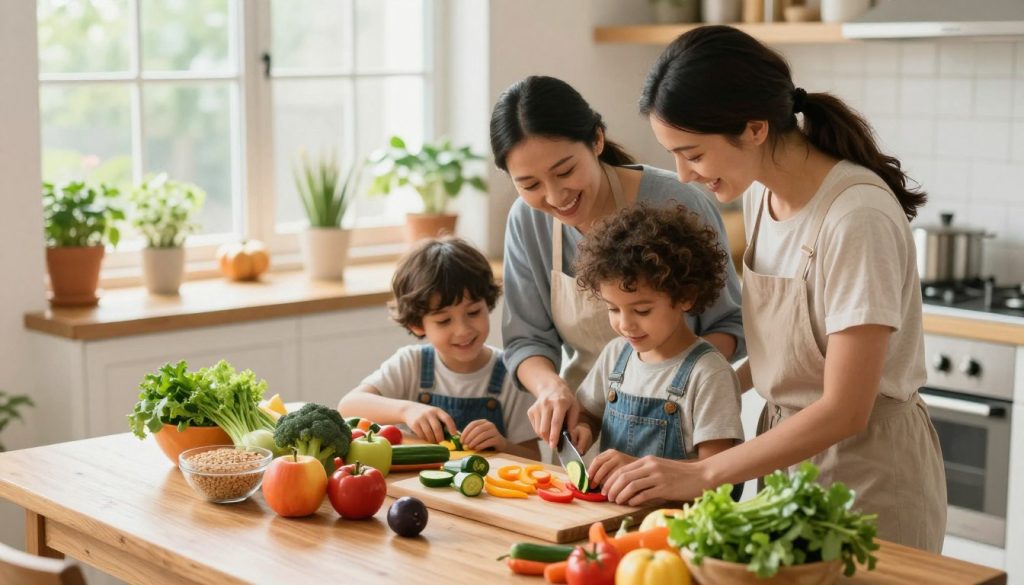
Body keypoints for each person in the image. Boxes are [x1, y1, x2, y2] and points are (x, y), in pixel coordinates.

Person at [599, 25, 945, 551]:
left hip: (870, 478)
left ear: (755, 128)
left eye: (693, 153)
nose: (685, 176)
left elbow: (845, 408)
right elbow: (780, 359)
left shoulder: (857, 218)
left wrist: (699, 475)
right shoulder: (761, 197)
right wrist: (673, 401)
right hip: (787, 470)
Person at [491, 75, 744, 449]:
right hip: (587, 428)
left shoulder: (679, 201)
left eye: (564, 172)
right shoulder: (527, 220)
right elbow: (527, 341)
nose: (556, 196)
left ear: (596, 140)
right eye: (530, 185)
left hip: (680, 426)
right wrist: (552, 389)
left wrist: (673, 380)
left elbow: (730, 322)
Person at [571, 203, 744, 498]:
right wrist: (584, 429)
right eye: (613, 309)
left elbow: (718, 479)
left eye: (642, 310)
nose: (625, 324)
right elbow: (588, 414)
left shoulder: (708, 373)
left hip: (678, 531)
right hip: (616, 520)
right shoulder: (616, 356)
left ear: (685, 297)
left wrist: (639, 469)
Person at [338, 236, 539, 459]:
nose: (463, 330)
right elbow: (348, 406)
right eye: (444, 321)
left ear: (488, 303)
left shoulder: (514, 373)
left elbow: (534, 458)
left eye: (473, 312)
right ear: (417, 324)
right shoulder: (411, 363)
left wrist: (502, 445)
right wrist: (407, 410)